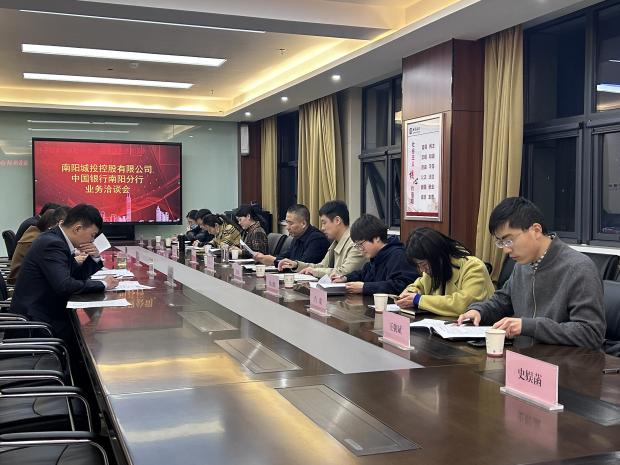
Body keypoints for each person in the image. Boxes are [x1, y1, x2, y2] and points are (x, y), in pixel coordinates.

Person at [458, 197, 606, 350]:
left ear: (536, 230)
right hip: (523, 356)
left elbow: (591, 333)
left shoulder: (579, 268)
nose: (506, 250)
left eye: (509, 240)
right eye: (501, 243)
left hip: (563, 361)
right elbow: (502, 301)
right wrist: (479, 311)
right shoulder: (522, 265)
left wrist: (528, 326)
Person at [10, 204, 119, 342]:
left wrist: (94, 257)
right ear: (77, 228)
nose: (92, 241)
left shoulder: (57, 238)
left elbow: (75, 276)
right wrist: (104, 284)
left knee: (94, 333)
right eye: (92, 235)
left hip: (46, 312)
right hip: (37, 323)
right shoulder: (52, 244)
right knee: (96, 337)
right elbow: (65, 285)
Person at [395, 228, 495, 317]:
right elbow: (418, 285)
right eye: (418, 265)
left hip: (478, 328)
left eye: (423, 264)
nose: (422, 270)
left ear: (438, 257)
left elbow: (464, 304)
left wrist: (419, 299)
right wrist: (409, 293)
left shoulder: (473, 267)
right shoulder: (432, 270)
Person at [331, 214, 419, 295]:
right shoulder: (377, 256)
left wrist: (365, 287)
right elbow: (363, 273)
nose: (360, 249)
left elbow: (401, 286)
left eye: (361, 244)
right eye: (357, 246)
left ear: (377, 238)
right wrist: (345, 278)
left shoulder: (398, 255)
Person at [278, 200, 365, 277]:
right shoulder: (336, 242)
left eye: (324, 223)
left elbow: (344, 272)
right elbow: (322, 266)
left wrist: (314, 271)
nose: (322, 228)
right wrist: (296, 265)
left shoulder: (356, 243)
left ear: (337, 221)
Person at [254, 204, 330, 267]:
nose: (287, 227)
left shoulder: (317, 239)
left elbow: (301, 265)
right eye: (286, 222)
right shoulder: (297, 236)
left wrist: (274, 261)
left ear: (303, 224)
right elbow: (287, 255)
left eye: (291, 223)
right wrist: (267, 258)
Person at [8, 206, 69, 284]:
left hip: (28, 278)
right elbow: (53, 266)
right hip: (21, 281)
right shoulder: (38, 240)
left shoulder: (35, 233)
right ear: (56, 224)